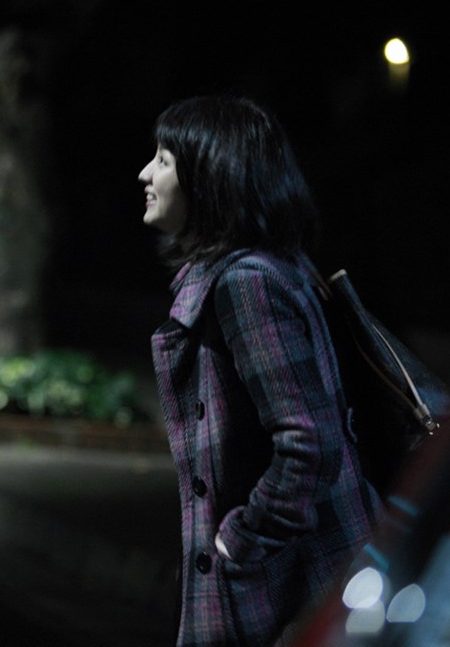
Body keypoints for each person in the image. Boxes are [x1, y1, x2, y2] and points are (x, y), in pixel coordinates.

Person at [140, 95, 381, 646]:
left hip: (288, 591)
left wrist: (240, 543)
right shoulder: (269, 268)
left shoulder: (246, 283)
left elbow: (308, 441)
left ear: (209, 177)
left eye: (163, 160)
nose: (145, 173)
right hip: (292, 584)